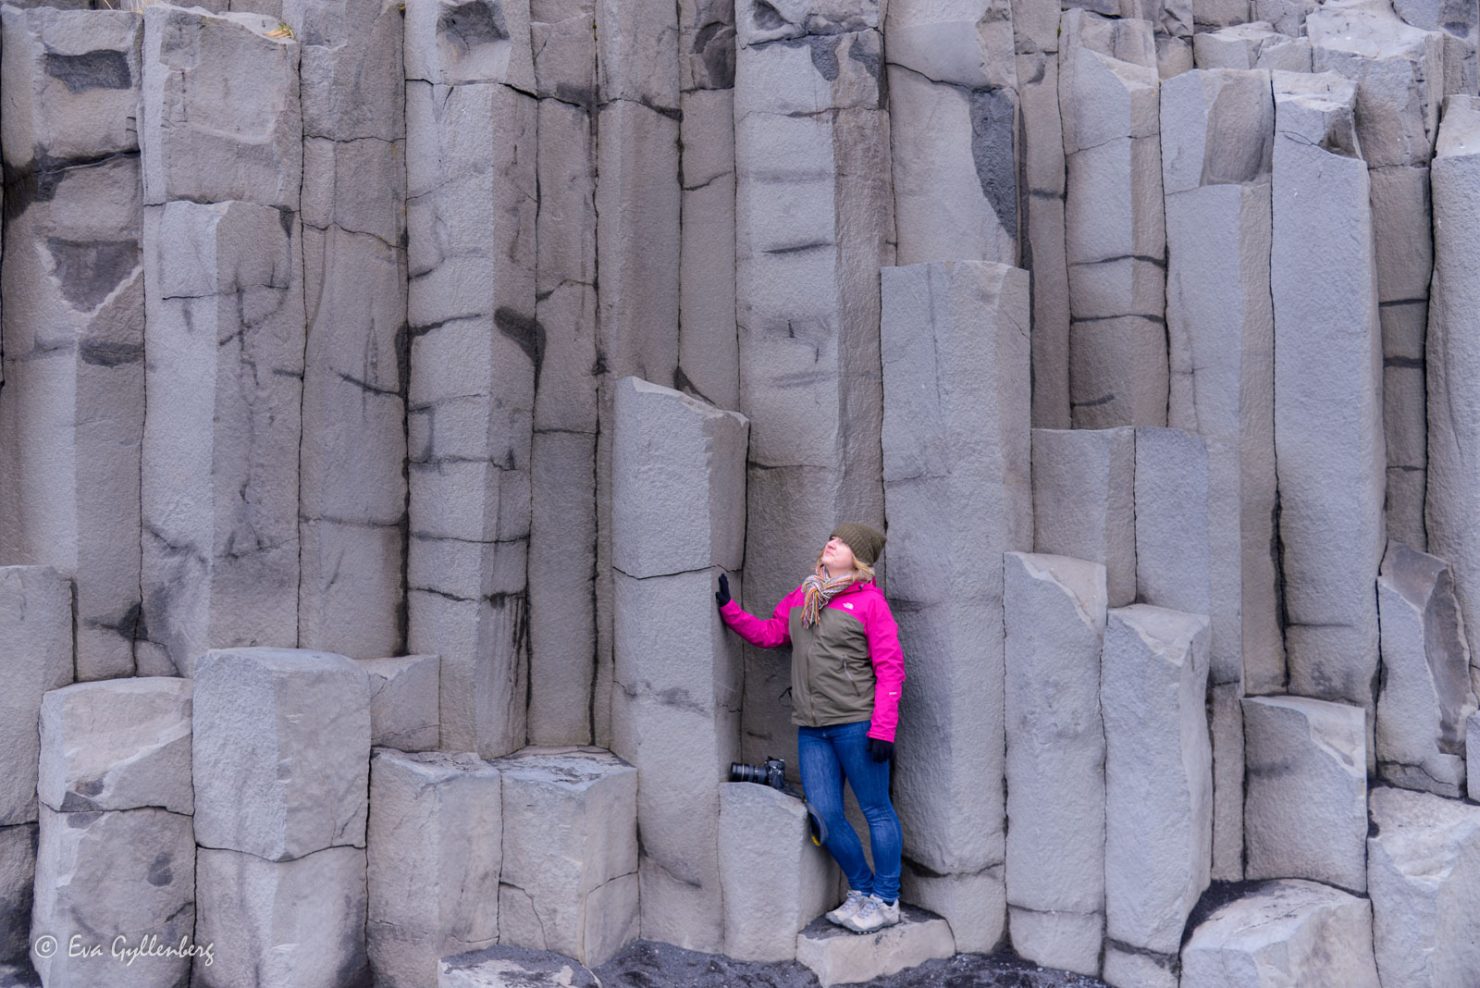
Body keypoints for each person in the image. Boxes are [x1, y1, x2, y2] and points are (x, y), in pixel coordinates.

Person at [714, 522, 906, 934]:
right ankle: (862, 889)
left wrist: (883, 729)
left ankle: (886, 900)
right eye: (830, 538)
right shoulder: (806, 596)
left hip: (857, 723)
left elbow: (891, 668)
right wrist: (730, 613)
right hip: (812, 727)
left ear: (858, 559)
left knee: (876, 810)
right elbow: (770, 634)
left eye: (841, 542)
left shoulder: (870, 603)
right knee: (825, 815)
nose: (831, 542)